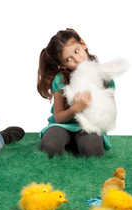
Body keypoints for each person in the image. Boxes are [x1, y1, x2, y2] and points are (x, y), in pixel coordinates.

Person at [37, 28, 115, 158]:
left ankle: (79, 143)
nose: (77, 60)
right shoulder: (61, 80)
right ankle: (66, 141)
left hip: (89, 126)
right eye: (68, 59)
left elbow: (110, 111)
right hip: (63, 125)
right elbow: (59, 117)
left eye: (77, 51)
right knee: (49, 146)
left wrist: (96, 110)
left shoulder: (103, 76)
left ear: (83, 44)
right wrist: (76, 108)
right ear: (62, 65)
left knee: (93, 150)